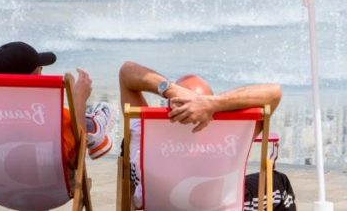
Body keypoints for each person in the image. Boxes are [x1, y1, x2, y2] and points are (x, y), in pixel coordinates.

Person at [118, 61, 282, 209]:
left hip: (157, 206)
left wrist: (171, 89)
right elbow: (274, 93)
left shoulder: (145, 135)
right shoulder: (230, 136)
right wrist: (213, 103)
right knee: (279, 184)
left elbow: (127, 72)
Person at [0, 42, 117, 167]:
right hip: (49, 189)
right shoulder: (54, 119)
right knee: (78, 125)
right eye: (40, 70)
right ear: (35, 76)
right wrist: (79, 101)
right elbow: (75, 160)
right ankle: (95, 126)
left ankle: (93, 124)